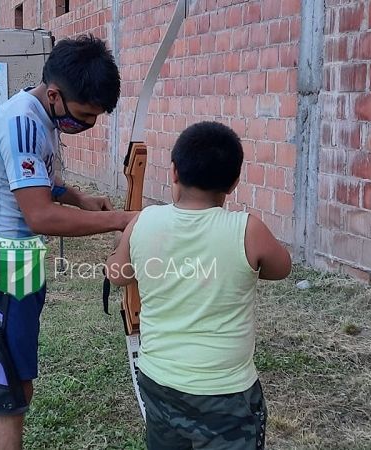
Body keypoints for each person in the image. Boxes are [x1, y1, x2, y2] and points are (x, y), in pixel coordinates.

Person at [0, 35, 135, 450]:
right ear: (56, 94)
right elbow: (39, 215)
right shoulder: (22, 123)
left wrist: (78, 197)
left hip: (17, 260)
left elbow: (39, 180)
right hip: (1, 263)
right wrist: (121, 220)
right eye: (84, 115)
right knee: (9, 393)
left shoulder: (41, 113)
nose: (88, 124)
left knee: (13, 384)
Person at [105, 121, 292, 450]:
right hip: (227, 395)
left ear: (174, 172)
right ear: (233, 183)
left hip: (159, 381)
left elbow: (118, 273)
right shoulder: (248, 230)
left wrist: (126, 240)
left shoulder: (144, 221)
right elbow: (281, 268)